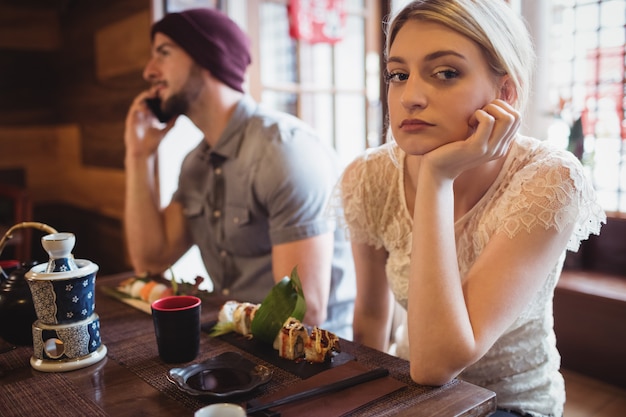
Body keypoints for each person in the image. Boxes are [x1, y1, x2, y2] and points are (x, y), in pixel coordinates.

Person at [338, 0, 605, 415]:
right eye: (398, 74)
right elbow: (371, 317)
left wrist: (436, 179)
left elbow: (436, 364)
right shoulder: (368, 177)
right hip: (406, 394)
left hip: (508, 405)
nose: (410, 97)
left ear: (505, 93)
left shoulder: (549, 178)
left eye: (446, 73)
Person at [124, 8, 355, 339]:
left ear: (207, 57)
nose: (149, 71)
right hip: (238, 342)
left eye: (163, 52)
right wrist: (138, 155)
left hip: (310, 355)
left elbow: (303, 310)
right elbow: (150, 260)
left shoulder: (283, 152)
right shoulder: (195, 165)